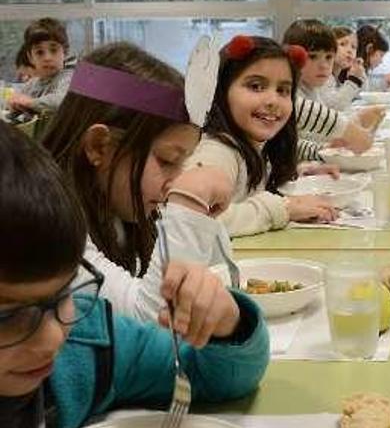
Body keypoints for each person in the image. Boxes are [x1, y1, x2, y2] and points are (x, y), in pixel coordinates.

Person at [0, 121, 269, 428]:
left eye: (63, 294)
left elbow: (214, 376)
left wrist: (228, 324)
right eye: (11, 317)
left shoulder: (87, 344)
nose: (51, 339)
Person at [42, 42, 238, 328]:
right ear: (98, 146)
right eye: (167, 160)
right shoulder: (46, 226)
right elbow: (156, 326)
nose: (175, 181)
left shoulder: (118, 207)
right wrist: (190, 202)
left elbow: (221, 277)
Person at [186, 35, 341, 238]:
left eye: (283, 90)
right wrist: (284, 209)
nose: (272, 100)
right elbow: (191, 221)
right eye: (256, 86)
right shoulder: (217, 152)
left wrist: (300, 171)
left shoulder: (252, 144)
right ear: (221, 90)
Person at [8, 18, 77, 114]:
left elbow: (64, 100)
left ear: (65, 53)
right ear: (30, 57)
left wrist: (30, 102)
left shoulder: (69, 77)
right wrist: (14, 104)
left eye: (54, 50)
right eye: (39, 52)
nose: (47, 58)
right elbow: (17, 98)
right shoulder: (31, 85)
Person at [357, 24, 390, 90]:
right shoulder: (355, 72)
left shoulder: (361, 72)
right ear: (369, 49)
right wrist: (385, 82)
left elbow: (365, 90)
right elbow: (361, 94)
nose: (381, 61)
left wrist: (385, 82)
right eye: (381, 55)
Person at [330, 25, 368, 103]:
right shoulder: (325, 78)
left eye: (353, 47)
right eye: (342, 44)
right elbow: (336, 105)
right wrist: (354, 79)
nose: (349, 50)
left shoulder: (337, 81)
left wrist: (360, 74)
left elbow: (360, 96)